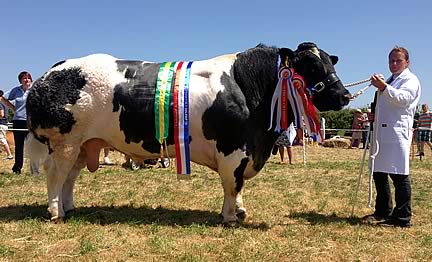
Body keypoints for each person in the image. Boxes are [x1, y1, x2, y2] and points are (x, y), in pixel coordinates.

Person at [364, 46, 421, 228]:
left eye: (398, 60)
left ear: (407, 62)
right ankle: (383, 210)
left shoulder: (411, 80)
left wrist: (383, 87)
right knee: (379, 173)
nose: (394, 64)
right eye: (391, 61)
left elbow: (403, 99)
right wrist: (374, 115)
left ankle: (403, 217)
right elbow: (386, 104)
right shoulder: (391, 80)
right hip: (382, 133)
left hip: (397, 133)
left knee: (399, 175)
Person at [0, 71, 33, 174]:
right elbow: (3, 98)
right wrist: (13, 108)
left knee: (33, 146)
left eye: (28, 78)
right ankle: (17, 168)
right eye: (24, 78)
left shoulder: (34, 90)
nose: (26, 80)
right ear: (20, 80)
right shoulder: (16, 90)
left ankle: (34, 169)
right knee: (19, 146)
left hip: (31, 121)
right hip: (18, 120)